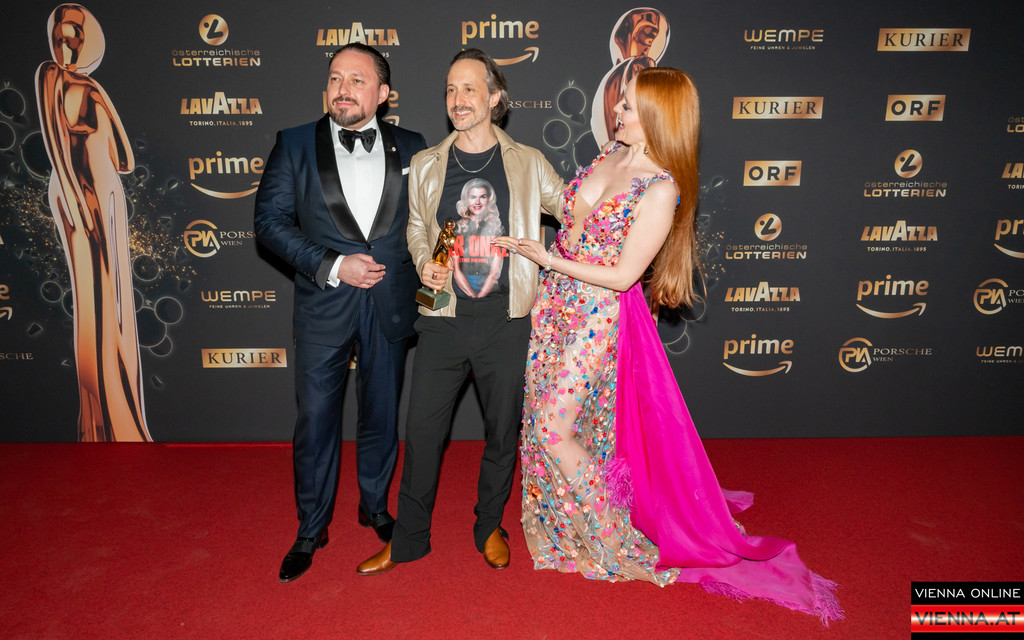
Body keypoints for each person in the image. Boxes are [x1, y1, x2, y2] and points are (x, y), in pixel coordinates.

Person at [491, 68, 842, 623]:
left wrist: (549, 258)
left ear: (658, 117)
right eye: (620, 103)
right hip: (555, 307)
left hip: (597, 318)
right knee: (545, 419)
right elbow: (575, 219)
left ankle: (613, 537)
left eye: (629, 107)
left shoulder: (660, 189)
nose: (617, 112)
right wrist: (549, 255)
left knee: (556, 430)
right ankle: (567, 528)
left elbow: (624, 276)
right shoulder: (611, 153)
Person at [356, 48, 564, 576]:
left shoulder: (528, 162)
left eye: (470, 88)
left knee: (502, 432)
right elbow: (417, 228)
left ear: (495, 98)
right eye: (451, 89)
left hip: (507, 320)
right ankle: (409, 539)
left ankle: (489, 524)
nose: (458, 99)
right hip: (442, 319)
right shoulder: (429, 163)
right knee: (422, 432)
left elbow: (575, 210)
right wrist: (425, 261)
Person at [254, 43, 427, 583]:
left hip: (391, 305)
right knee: (316, 422)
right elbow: (269, 223)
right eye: (335, 78)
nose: (343, 88)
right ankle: (311, 527)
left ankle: (374, 505)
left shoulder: (414, 146)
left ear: (383, 93)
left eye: (357, 79)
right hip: (324, 305)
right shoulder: (293, 143)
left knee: (381, 415)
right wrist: (332, 265)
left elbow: (428, 222)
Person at [36, 3, 151, 442]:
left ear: (89, 43)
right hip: (79, 192)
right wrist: (74, 197)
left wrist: (98, 113)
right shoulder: (50, 76)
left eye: (74, 37)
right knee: (96, 304)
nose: (65, 45)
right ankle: (104, 420)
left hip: (107, 193)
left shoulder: (92, 87)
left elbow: (126, 159)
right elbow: (54, 143)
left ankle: (122, 421)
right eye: (60, 37)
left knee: (117, 301)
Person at [452, 178, 504, 297]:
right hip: (461, 287)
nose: (477, 202)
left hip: (489, 288)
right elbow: (456, 271)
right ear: (466, 200)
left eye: (483, 197)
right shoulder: (457, 229)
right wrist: (472, 297)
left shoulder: (497, 228)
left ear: (489, 200)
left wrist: (480, 298)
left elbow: (495, 273)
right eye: (473, 197)